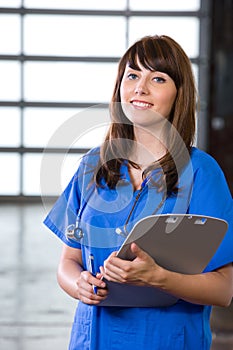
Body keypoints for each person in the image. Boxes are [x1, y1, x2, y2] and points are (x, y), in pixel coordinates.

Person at [43, 35, 233, 350]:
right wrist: (78, 284)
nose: (140, 88)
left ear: (178, 94)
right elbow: (69, 261)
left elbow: (224, 289)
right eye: (133, 75)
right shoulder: (94, 166)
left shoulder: (201, 173)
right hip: (91, 340)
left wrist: (158, 278)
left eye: (157, 78)